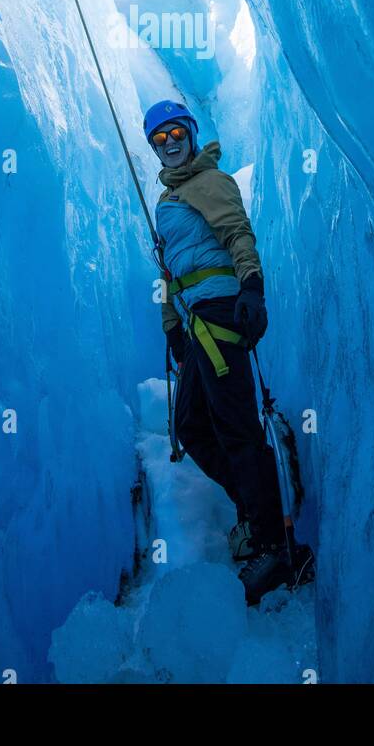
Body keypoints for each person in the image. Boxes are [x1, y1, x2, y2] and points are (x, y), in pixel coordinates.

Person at [144, 98, 290, 605]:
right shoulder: (168, 203)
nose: (170, 143)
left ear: (190, 132)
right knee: (191, 426)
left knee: (235, 426)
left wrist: (252, 285)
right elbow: (168, 276)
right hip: (195, 321)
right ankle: (255, 514)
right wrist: (172, 328)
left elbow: (236, 233)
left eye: (176, 133)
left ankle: (276, 543)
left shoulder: (210, 182)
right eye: (159, 140)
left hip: (223, 312)